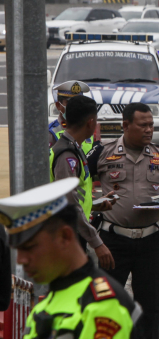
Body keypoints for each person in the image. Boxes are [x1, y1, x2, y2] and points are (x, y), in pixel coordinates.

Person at [0, 179, 144, 339]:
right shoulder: (47, 304)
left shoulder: (102, 306)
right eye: (17, 250)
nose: (21, 259)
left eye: (29, 248)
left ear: (65, 236)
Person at [91, 102, 159, 339]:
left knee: (150, 309)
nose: (149, 130)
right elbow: (77, 188)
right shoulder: (102, 153)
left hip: (151, 242)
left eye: (151, 125)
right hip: (112, 242)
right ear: (125, 126)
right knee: (106, 307)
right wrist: (94, 204)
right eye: (143, 125)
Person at [50, 95, 117, 269]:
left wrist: (94, 204)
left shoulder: (72, 148)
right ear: (90, 122)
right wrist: (97, 242)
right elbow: (69, 205)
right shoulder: (67, 155)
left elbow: (71, 196)